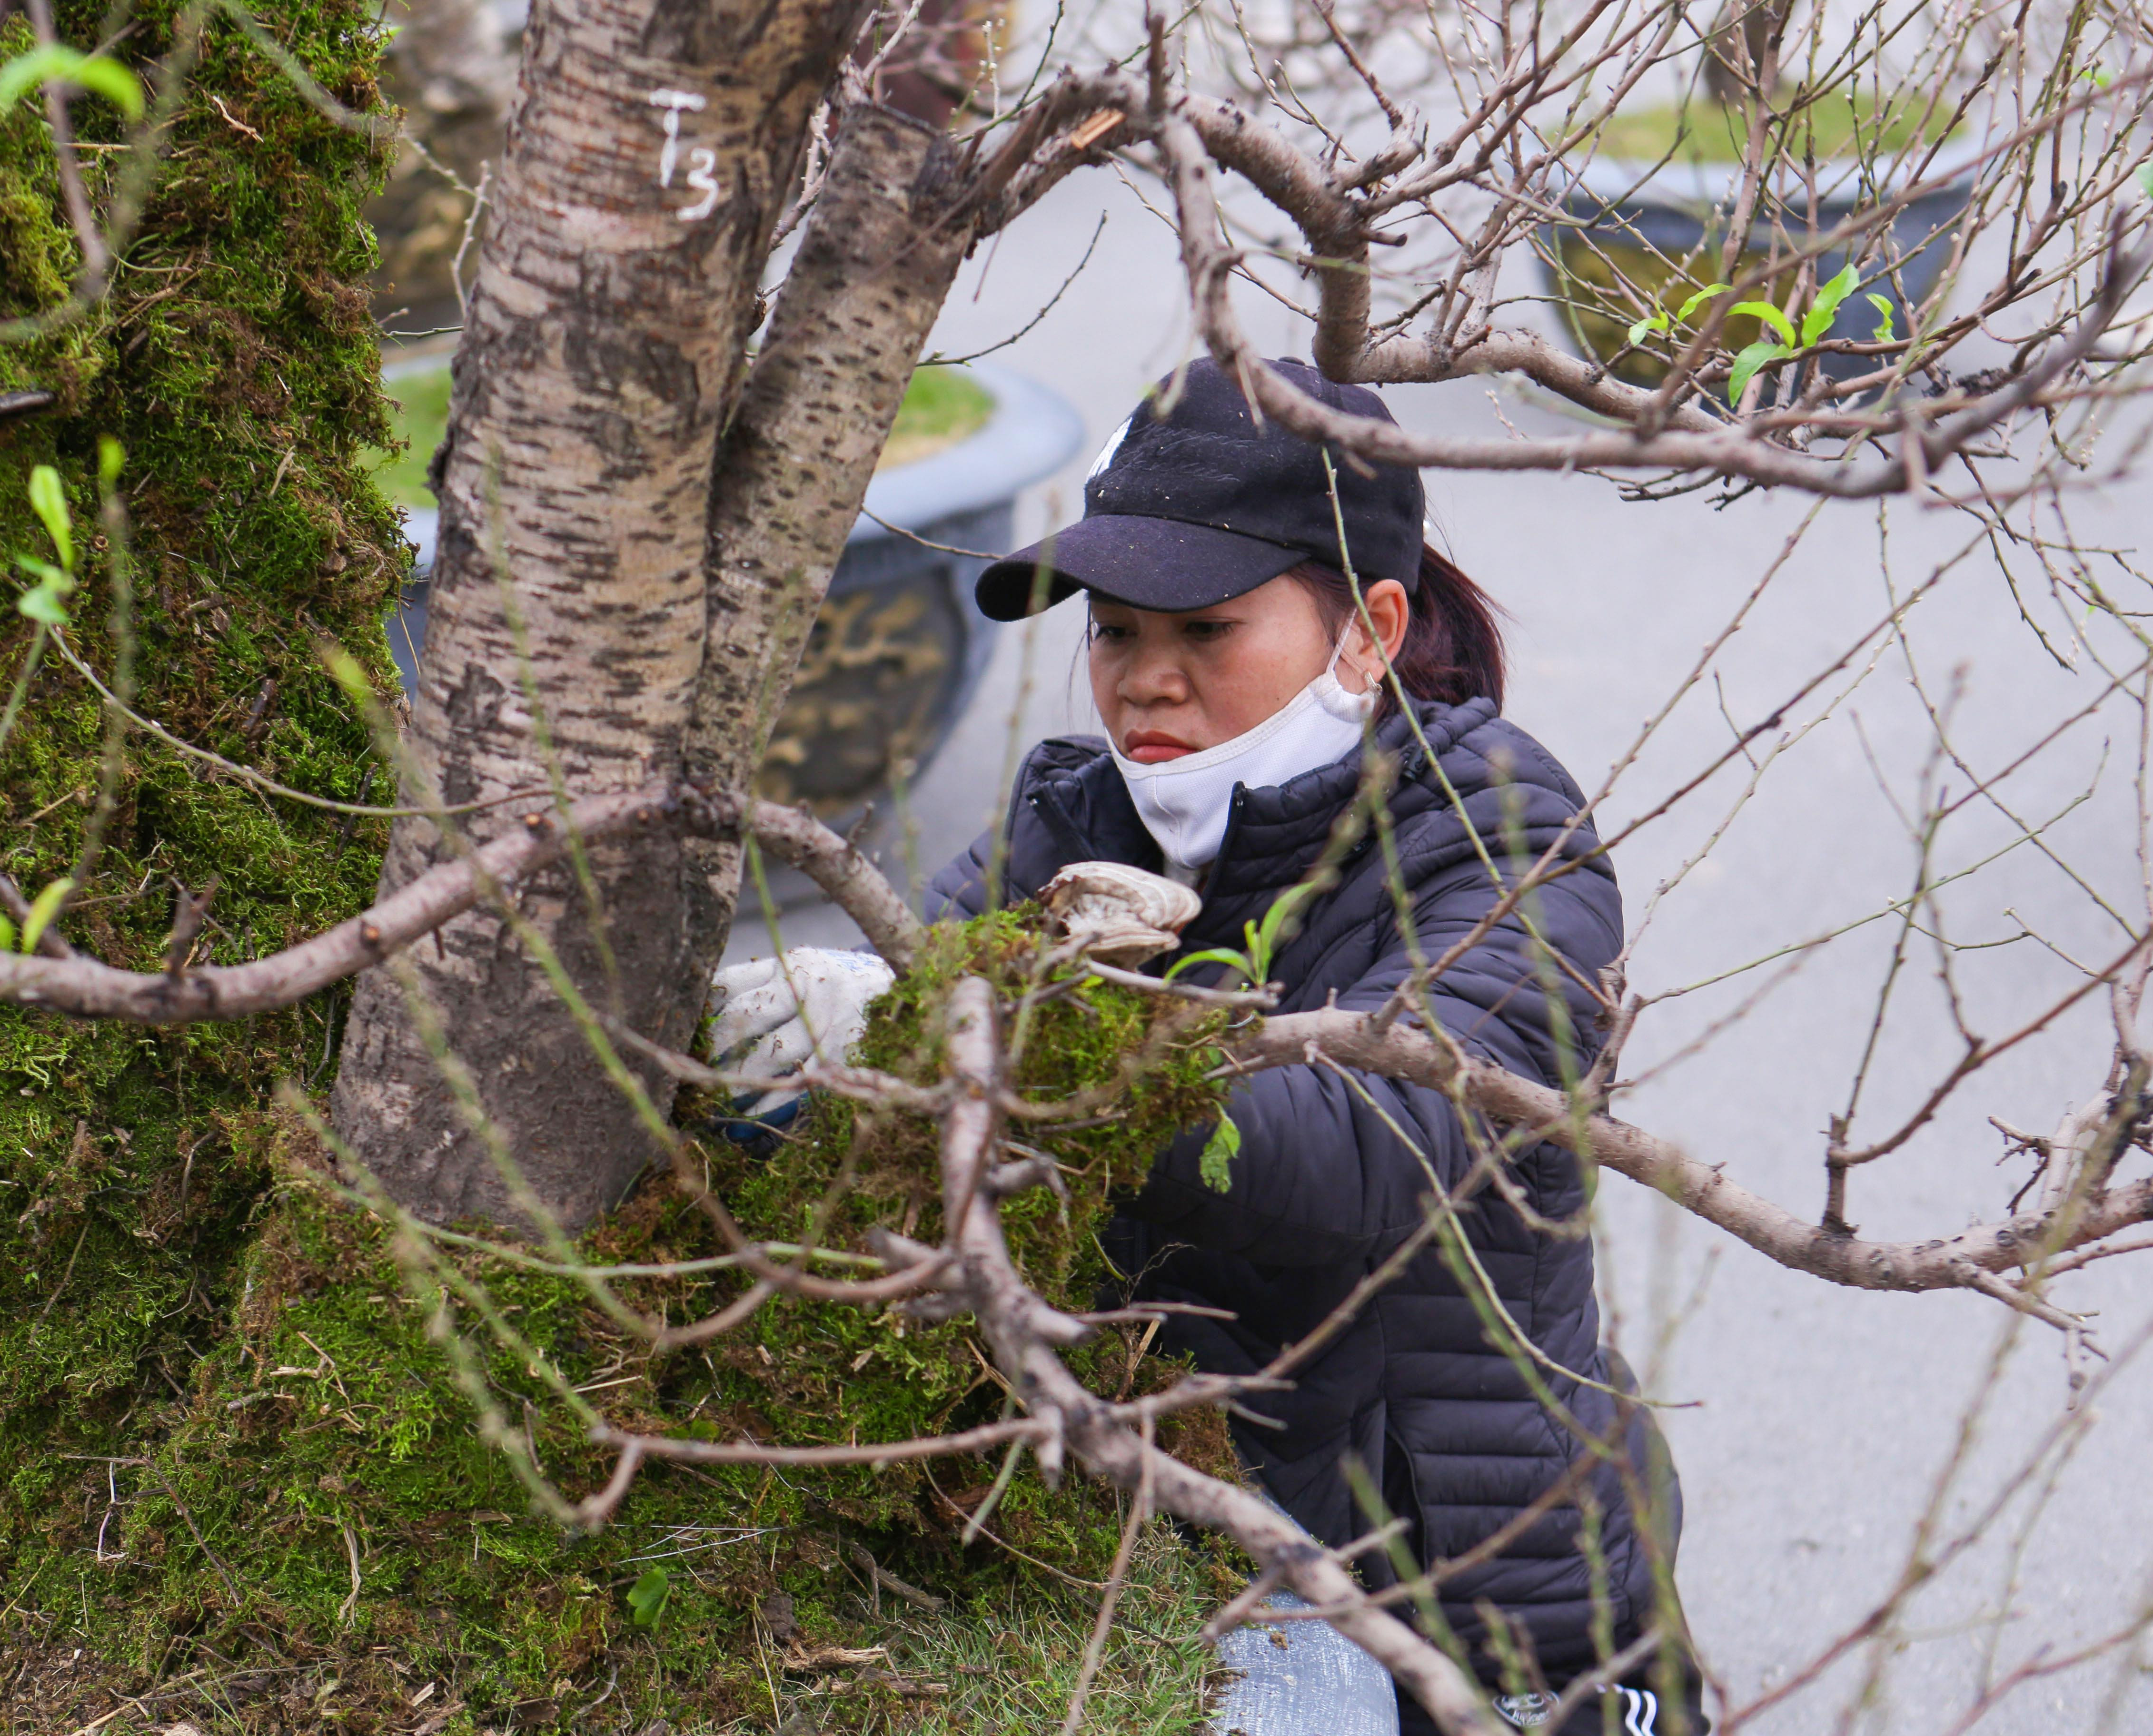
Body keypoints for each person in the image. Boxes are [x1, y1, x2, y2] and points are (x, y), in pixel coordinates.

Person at [712, 358, 1701, 1736]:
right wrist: (785, 1049)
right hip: (1178, 1526)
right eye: (1115, 631)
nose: (1143, 685)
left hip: (1473, 1590)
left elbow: (1377, 1150)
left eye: (1207, 629)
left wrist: (995, 1036)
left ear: (1369, 629)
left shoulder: (1500, 841)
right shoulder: (1070, 827)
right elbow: (903, 1044)